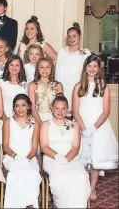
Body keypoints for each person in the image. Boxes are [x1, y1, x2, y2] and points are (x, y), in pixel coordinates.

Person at [73, 55, 118, 200]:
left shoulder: (104, 87)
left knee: (95, 159)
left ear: (99, 69)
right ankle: (82, 186)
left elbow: (106, 111)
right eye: (89, 66)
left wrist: (93, 128)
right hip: (82, 126)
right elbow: (75, 110)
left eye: (95, 66)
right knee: (82, 160)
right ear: (85, 67)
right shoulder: (78, 86)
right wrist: (83, 128)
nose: (92, 69)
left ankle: (92, 188)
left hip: (99, 127)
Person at [40, 94, 91, 208]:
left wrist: (66, 159)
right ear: (52, 109)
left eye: (63, 108)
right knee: (62, 176)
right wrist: (58, 157)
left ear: (67, 109)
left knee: (80, 176)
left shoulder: (75, 125)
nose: (60, 111)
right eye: (57, 108)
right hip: (51, 159)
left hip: (71, 159)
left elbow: (75, 147)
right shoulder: (46, 125)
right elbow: (44, 146)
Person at [2, 94, 41, 208]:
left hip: (29, 158)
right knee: (18, 173)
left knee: (32, 173)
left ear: (28, 106)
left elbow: (34, 148)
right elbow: (5, 146)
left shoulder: (35, 124)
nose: (20, 109)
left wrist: (27, 159)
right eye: (17, 106)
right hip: (12, 158)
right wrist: (16, 157)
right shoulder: (8, 121)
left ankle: (30, 204)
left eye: (23, 105)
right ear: (13, 107)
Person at [55, 23, 92, 111]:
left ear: (79, 37)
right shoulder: (62, 52)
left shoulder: (86, 53)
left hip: (80, 88)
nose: (71, 39)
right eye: (69, 36)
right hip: (64, 87)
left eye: (74, 36)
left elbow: (89, 73)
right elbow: (58, 71)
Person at [29, 58, 63, 124]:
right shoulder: (33, 85)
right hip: (37, 119)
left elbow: (60, 105)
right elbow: (32, 108)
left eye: (47, 67)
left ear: (52, 69)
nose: (44, 69)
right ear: (38, 69)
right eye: (41, 67)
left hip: (53, 118)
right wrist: (41, 123)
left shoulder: (57, 85)